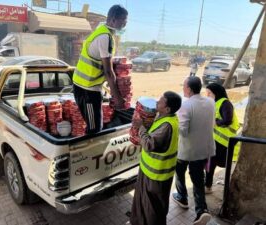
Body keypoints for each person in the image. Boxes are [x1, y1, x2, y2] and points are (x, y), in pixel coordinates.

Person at [72, 5, 127, 134]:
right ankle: (89, 153)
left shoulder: (102, 31)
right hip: (87, 90)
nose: (125, 24)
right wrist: (117, 97)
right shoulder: (105, 37)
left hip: (87, 87)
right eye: (123, 20)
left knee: (95, 125)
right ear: (113, 20)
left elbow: (102, 62)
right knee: (94, 128)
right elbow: (108, 71)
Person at [129, 91, 182, 225]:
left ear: (167, 109)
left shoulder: (167, 126)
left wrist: (140, 127)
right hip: (150, 172)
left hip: (156, 176)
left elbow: (148, 144)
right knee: (144, 203)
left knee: (152, 208)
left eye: (160, 101)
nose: (157, 102)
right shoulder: (165, 118)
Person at [172, 77, 215, 225]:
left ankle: (182, 197)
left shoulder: (185, 106)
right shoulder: (210, 102)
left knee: (179, 170)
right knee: (198, 178)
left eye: (184, 86)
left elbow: (183, 132)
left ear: (189, 89)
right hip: (204, 148)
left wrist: (174, 121)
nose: (183, 88)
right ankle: (201, 210)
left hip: (187, 150)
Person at [205, 83, 240, 193]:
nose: (207, 96)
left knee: (211, 164)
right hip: (216, 141)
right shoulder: (216, 103)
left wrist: (216, 123)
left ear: (216, 93)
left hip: (224, 142)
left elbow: (228, 120)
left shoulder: (225, 103)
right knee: (209, 164)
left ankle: (208, 186)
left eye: (209, 93)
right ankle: (208, 185)